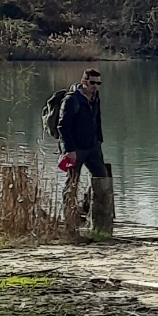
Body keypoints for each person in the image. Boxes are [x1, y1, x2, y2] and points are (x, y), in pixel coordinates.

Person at [53, 67, 111, 237]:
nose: (96, 86)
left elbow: (97, 118)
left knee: (103, 180)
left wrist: (99, 140)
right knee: (72, 183)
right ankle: (70, 220)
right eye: (92, 83)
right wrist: (69, 150)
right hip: (76, 148)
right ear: (84, 82)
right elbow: (63, 126)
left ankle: (94, 216)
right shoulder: (71, 100)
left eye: (98, 83)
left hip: (93, 147)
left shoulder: (95, 97)